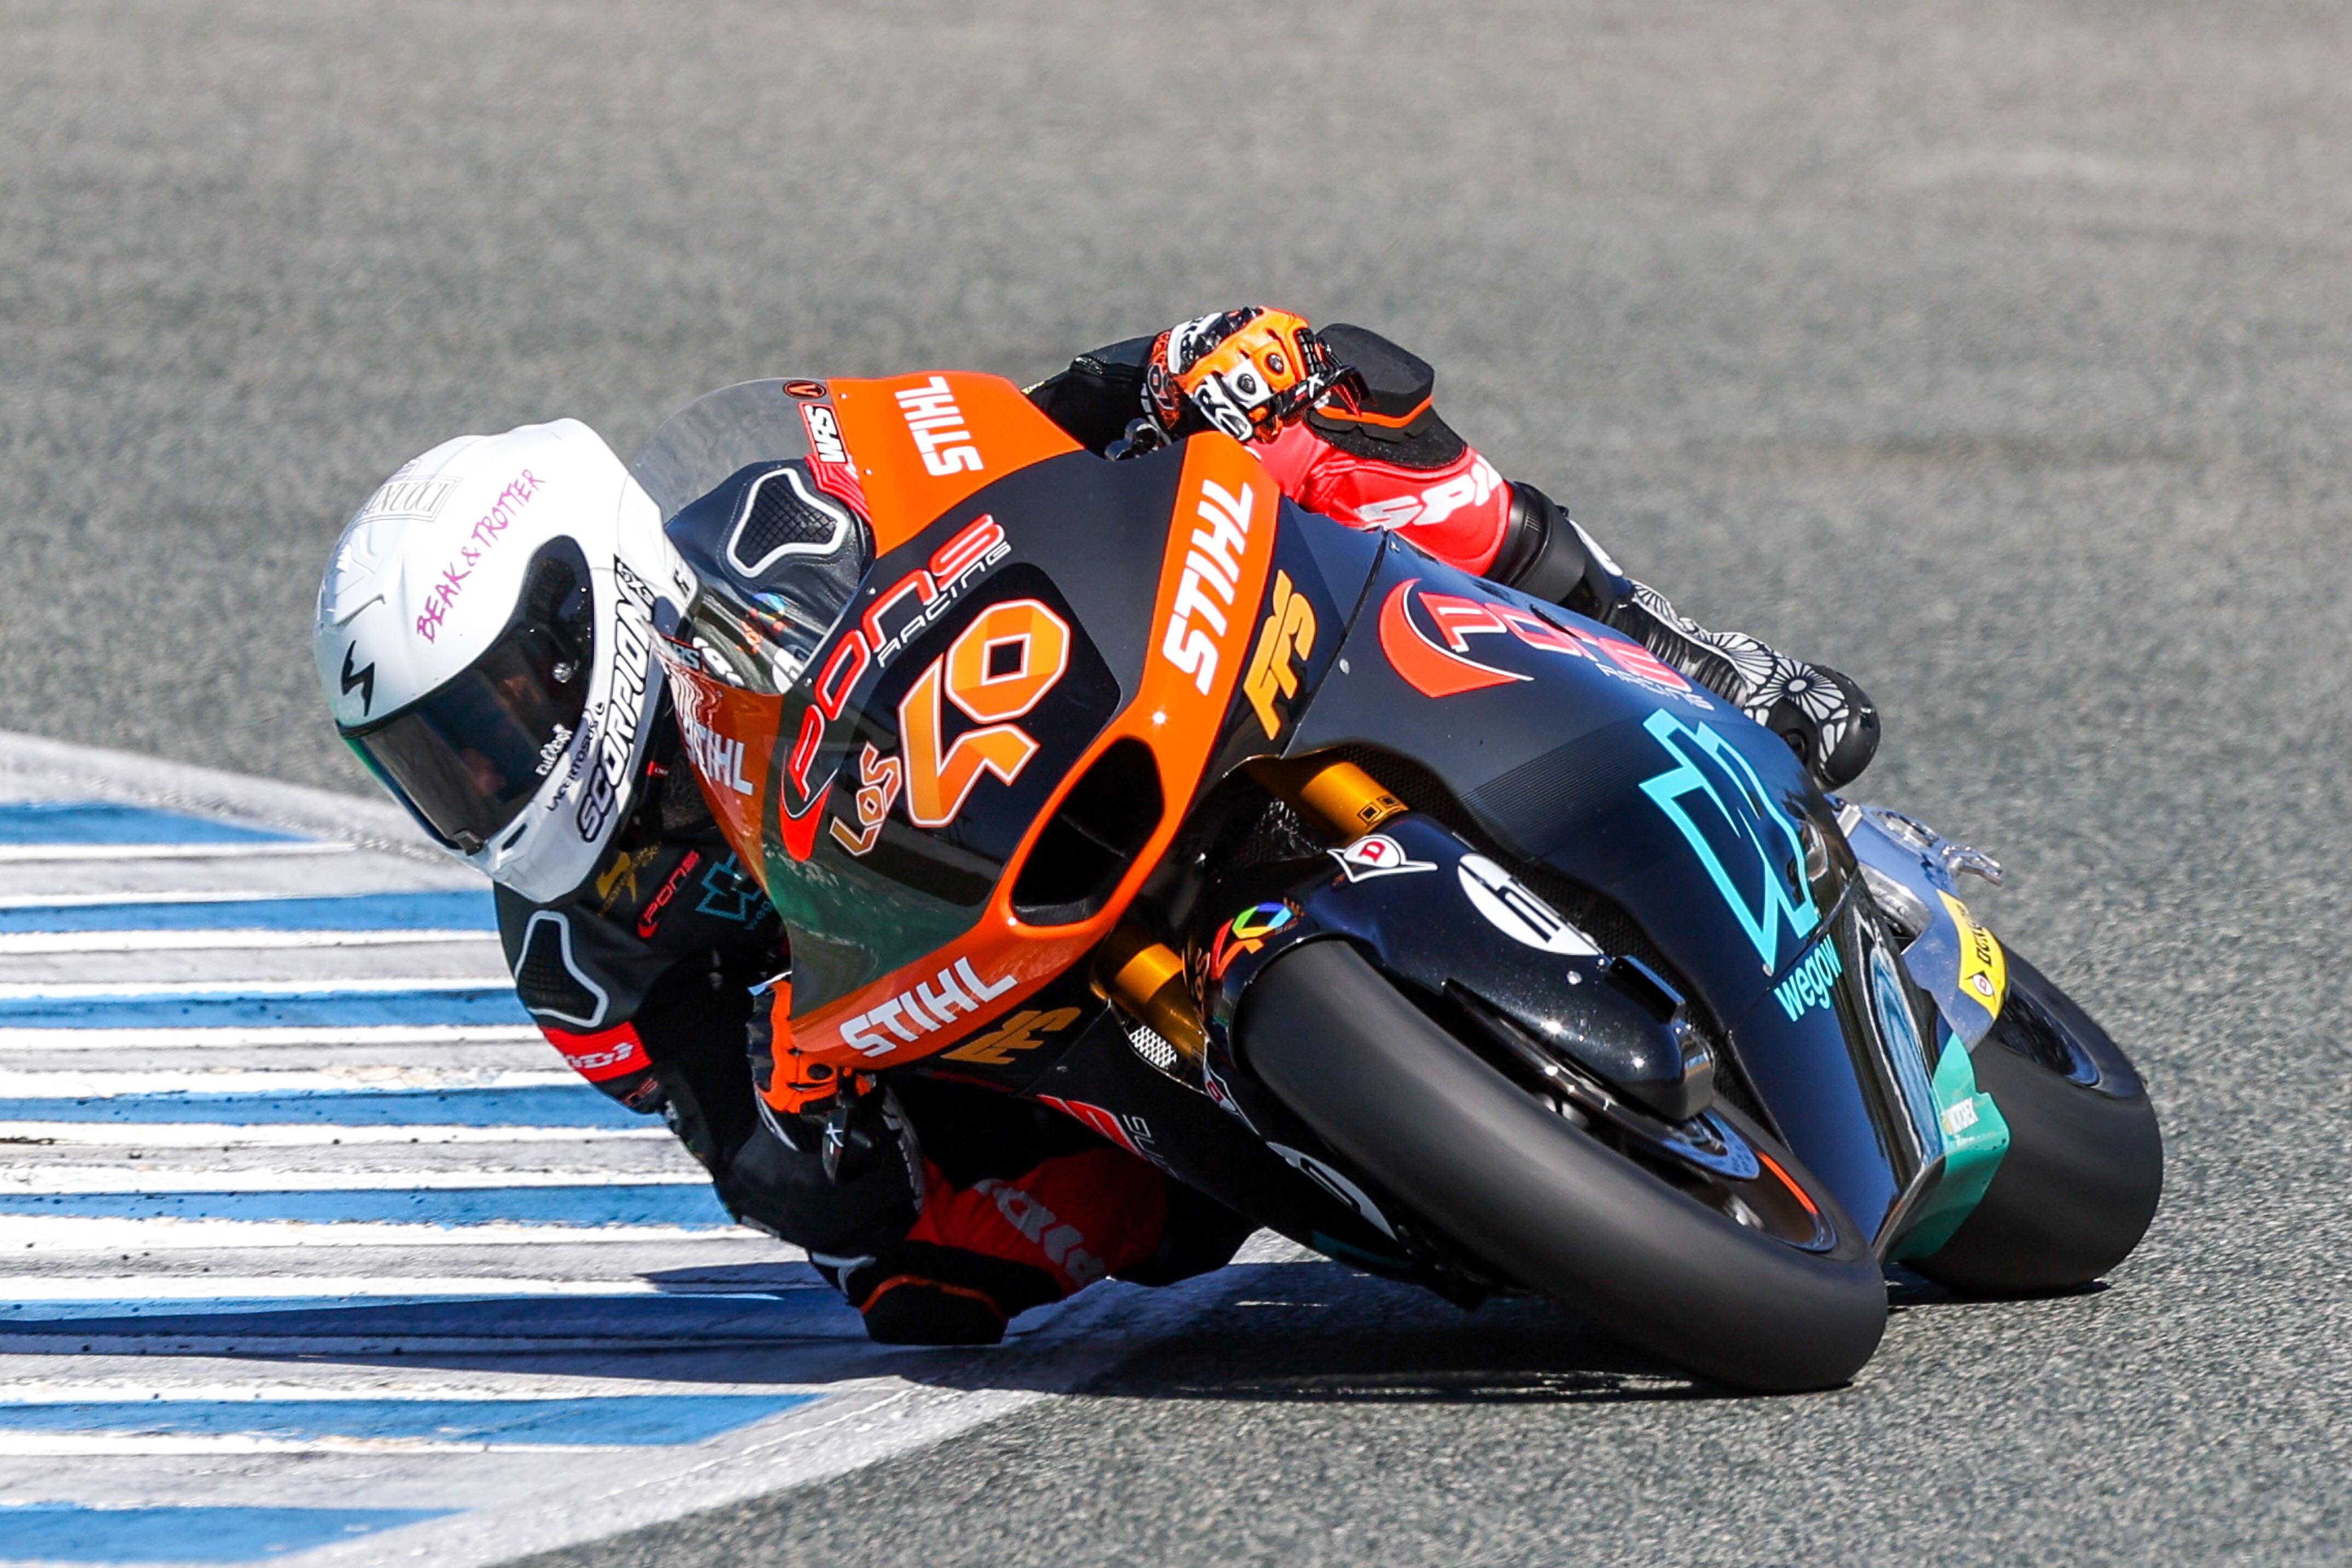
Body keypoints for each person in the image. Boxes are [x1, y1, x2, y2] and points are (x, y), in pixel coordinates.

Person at [314, 308, 1879, 1347]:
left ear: (587, 604)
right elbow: (731, 1133)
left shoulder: (777, 502)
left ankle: (1667, 645)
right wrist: (797, 1155)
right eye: (435, 760)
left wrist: (1166, 367)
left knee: (1319, 397)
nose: (484, 774)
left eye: (494, 713)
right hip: (981, 990)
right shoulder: (579, 947)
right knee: (921, 1282)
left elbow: (1025, 429)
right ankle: (1373, 1161)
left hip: (1141, 698)